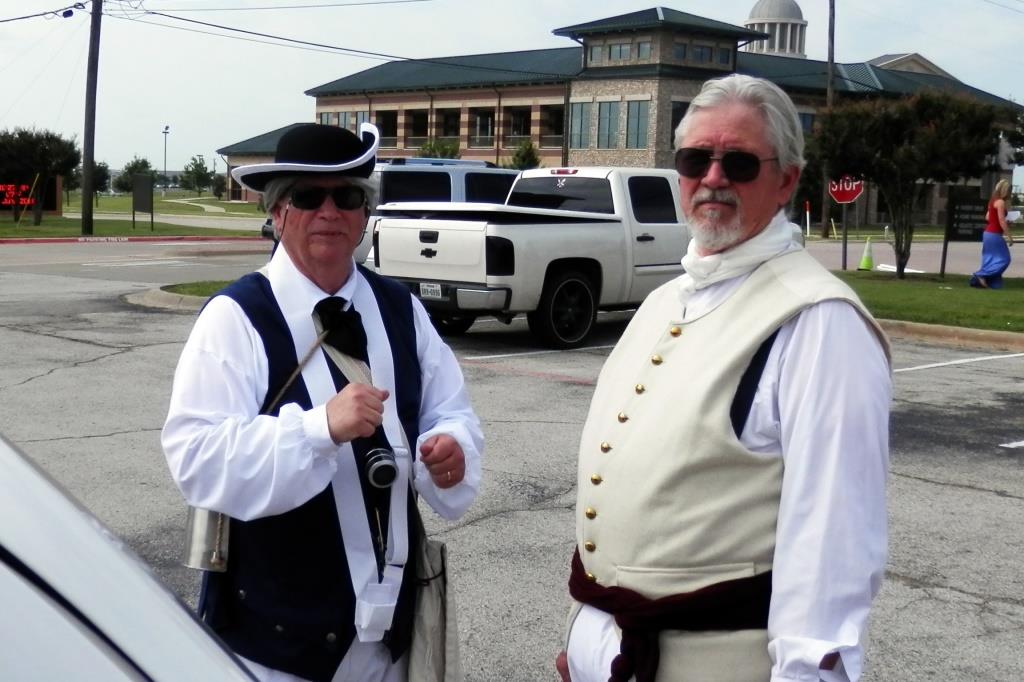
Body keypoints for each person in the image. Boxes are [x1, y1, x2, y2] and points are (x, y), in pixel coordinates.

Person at [556, 74, 892, 682]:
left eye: (738, 162)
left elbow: (831, 546)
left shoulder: (819, 322)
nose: (713, 178)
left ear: (787, 179)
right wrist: (589, 643)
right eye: (695, 159)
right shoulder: (664, 301)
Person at [162, 122, 482, 682]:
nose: (330, 212)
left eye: (349, 197)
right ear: (279, 212)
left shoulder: (401, 308)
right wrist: (317, 430)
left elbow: (449, 409)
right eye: (309, 196)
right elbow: (196, 456)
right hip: (277, 649)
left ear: (366, 214)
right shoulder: (234, 318)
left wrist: (451, 447)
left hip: (391, 643)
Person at [970, 178, 1014, 289]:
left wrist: (1003, 221)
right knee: (1004, 259)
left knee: (990, 257)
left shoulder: (993, 200)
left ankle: (987, 281)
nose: (1010, 194)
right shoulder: (1000, 202)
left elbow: (988, 217)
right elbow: (1001, 220)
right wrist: (1009, 237)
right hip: (994, 234)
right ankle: (981, 274)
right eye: (1009, 191)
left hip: (987, 233)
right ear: (1005, 190)